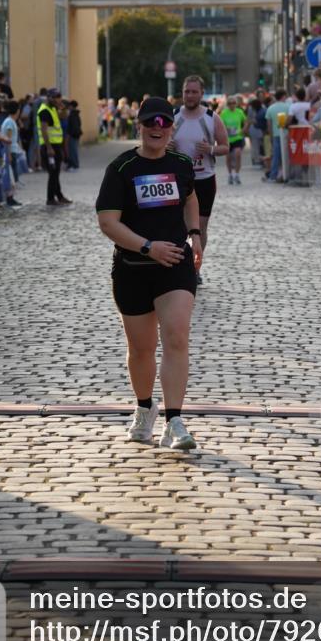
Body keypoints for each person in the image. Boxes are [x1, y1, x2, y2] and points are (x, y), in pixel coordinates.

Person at [96, 97, 202, 451]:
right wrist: (146, 246)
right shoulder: (122, 168)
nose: (157, 128)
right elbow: (107, 222)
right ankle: (145, 408)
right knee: (141, 349)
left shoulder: (182, 164)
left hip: (175, 264)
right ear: (139, 126)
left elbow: (190, 198)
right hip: (133, 268)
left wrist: (195, 234)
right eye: (149, 123)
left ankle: (175, 420)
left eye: (163, 123)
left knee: (177, 337)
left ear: (171, 127)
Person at [170, 75, 229, 285]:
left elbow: (225, 146)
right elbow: (158, 144)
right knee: (176, 227)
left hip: (204, 179)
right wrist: (168, 148)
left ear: (202, 94)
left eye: (194, 92)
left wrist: (210, 149)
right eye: (187, 91)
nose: (190, 95)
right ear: (182, 93)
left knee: (199, 228)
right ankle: (177, 268)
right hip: (177, 180)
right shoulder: (174, 116)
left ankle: (195, 269)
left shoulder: (212, 117)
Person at [37, 88, 71, 207]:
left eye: (59, 97)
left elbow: (64, 116)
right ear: (50, 98)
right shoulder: (44, 111)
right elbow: (44, 130)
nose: (58, 100)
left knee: (56, 172)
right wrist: (49, 148)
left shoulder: (53, 108)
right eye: (56, 98)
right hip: (49, 147)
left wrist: (63, 107)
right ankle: (50, 199)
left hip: (56, 145)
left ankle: (59, 196)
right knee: (53, 173)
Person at [264, 88, 291, 183]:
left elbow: (269, 125)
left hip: (275, 135)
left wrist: (271, 136)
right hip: (287, 134)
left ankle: (273, 176)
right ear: (283, 96)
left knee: (276, 156)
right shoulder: (289, 106)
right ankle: (288, 174)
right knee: (288, 156)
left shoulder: (270, 108)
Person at [221, 95, 247, 184]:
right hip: (227, 138)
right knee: (228, 158)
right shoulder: (224, 113)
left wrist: (243, 130)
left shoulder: (239, 112)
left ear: (236, 104)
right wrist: (225, 129)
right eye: (230, 103)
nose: (232, 105)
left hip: (237, 137)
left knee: (238, 154)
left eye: (234, 103)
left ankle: (237, 174)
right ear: (227, 104)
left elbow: (246, 121)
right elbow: (220, 125)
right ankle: (230, 175)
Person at [65, 100, 82, 170]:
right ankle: (75, 164)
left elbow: (71, 126)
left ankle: (74, 165)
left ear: (71, 106)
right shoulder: (76, 114)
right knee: (74, 150)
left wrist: (68, 135)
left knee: (72, 150)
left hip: (72, 135)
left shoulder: (72, 115)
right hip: (76, 134)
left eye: (69, 106)